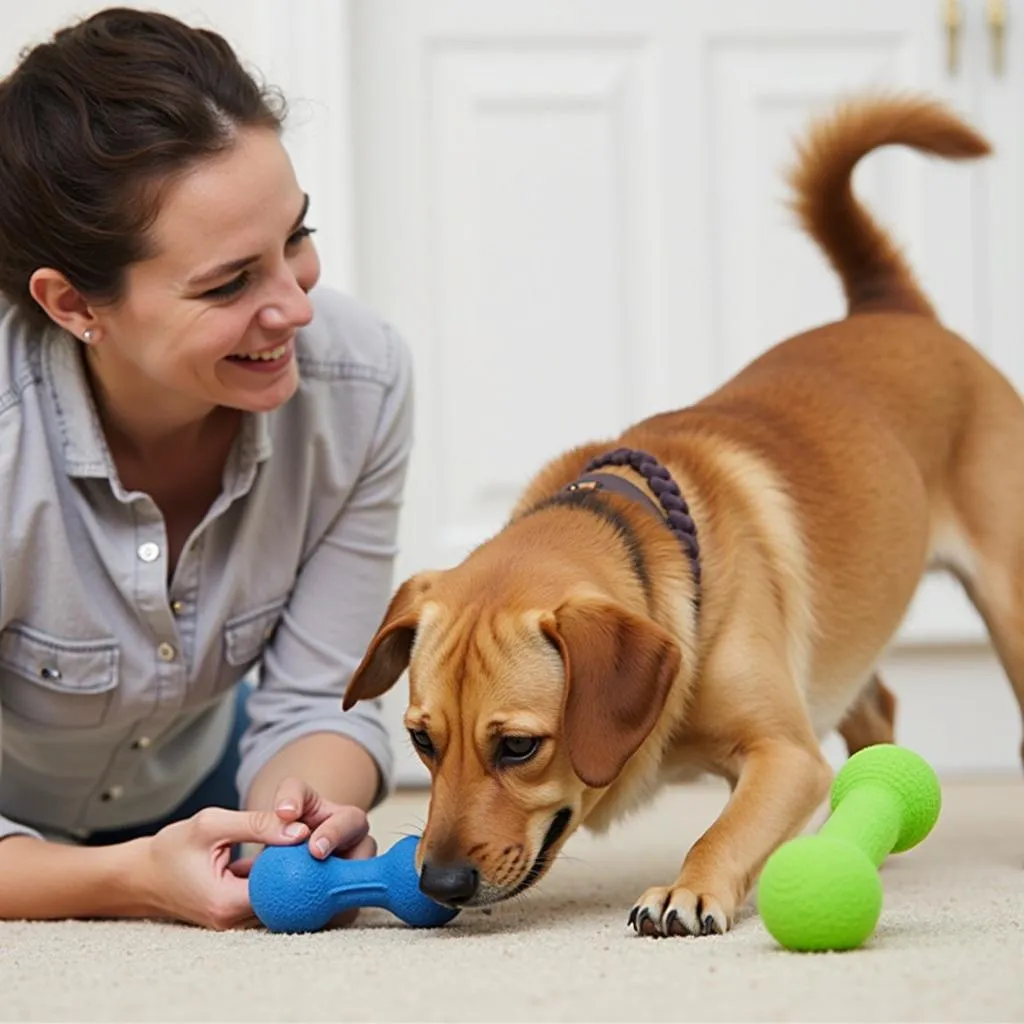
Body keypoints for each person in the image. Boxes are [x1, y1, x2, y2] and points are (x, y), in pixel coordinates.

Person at [0, 6, 413, 929]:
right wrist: (128, 879)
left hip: (204, 783)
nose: (295, 309)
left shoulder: (362, 382)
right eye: (230, 284)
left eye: (296, 240)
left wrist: (297, 823)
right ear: (73, 305)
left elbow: (315, 695)